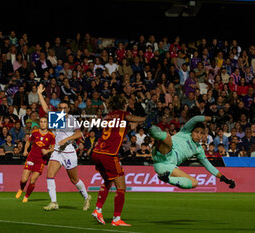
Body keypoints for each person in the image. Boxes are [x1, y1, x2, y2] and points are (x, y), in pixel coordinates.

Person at [91, 95, 146, 226]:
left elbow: (124, 128)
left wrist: (134, 124)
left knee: (108, 182)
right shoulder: (122, 114)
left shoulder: (108, 116)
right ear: (122, 104)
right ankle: (116, 219)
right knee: (121, 187)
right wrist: (145, 118)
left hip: (97, 152)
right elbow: (132, 118)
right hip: (109, 154)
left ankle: (98, 210)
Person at [37, 84, 91, 211]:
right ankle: (54, 202)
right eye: (60, 108)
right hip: (57, 151)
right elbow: (45, 109)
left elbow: (79, 134)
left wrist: (66, 140)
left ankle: (86, 196)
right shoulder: (56, 118)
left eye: (65, 108)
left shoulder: (72, 119)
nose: (62, 110)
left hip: (69, 152)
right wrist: (40, 94)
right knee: (49, 175)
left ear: (68, 109)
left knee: (74, 179)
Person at [148, 115, 236, 190]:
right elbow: (195, 119)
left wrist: (224, 178)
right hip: (164, 153)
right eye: (196, 132)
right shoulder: (184, 132)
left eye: (201, 133)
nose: (199, 135)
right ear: (191, 131)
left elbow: (209, 166)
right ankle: (152, 130)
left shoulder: (199, 149)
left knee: (194, 183)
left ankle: (166, 178)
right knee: (167, 137)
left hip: (166, 167)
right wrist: (213, 119)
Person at [15, 117, 55, 203]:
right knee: (24, 180)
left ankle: (26, 196)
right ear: (39, 123)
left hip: (41, 161)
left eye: (45, 122)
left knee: (32, 180)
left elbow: (53, 148)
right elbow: (28, 142)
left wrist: (47, 151)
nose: (43, 123)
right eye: (41, 122)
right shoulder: (34, 132)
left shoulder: (51, 135)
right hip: (31, 157)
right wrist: (25, 150)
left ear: (47, 124)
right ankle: (21, 189)